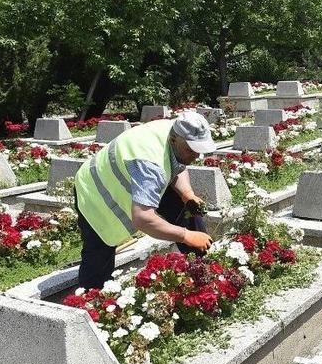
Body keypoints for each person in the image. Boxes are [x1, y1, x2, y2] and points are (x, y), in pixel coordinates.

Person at [73, 111, 217, 289]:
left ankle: (203, 269)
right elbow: (143, 219)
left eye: (199, 150)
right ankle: (90, 301)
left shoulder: (176, 129)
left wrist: (187, 193)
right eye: (191, 150)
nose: (196, 156)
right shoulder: (150, 165)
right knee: (99, 256)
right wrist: (186, 236)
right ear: (174, 140)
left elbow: (178, 164)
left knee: (187, 207)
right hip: (95, 194)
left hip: (133, 177)